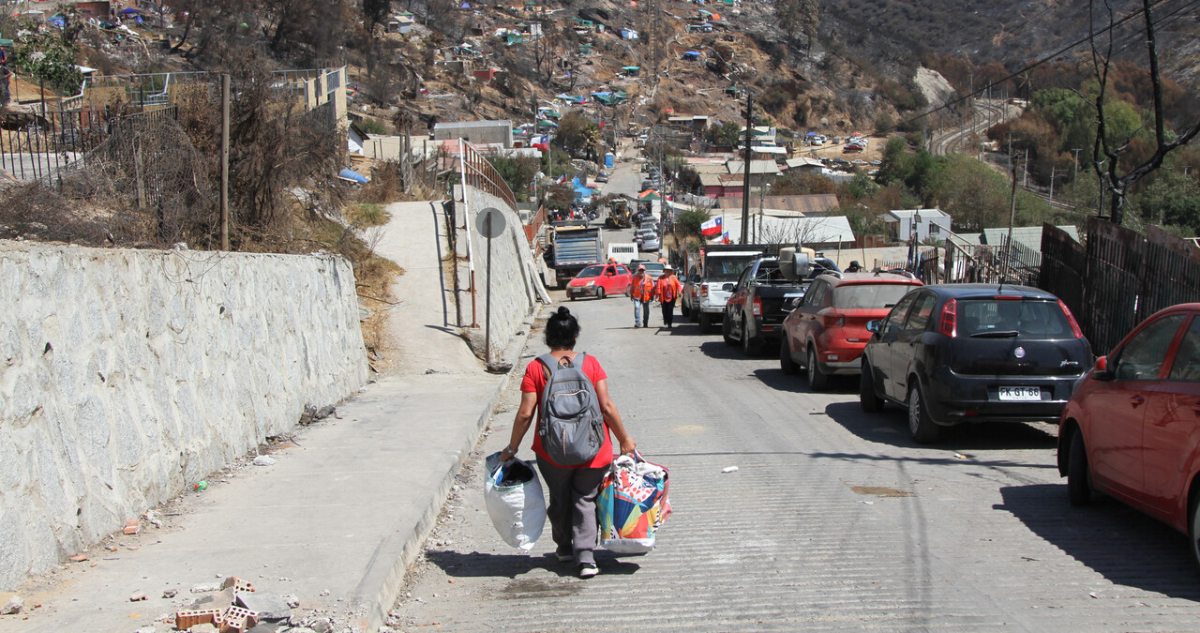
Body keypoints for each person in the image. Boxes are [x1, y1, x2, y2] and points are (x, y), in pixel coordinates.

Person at [500, 307, 636, 578]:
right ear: (575, 336)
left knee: (560, 497)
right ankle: (586, 558)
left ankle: (563, 547)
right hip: (593, 449)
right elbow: (606, 407)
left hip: (552, 452)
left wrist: (512, 448)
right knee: (585, 497)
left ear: (548, 338)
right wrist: (624, 439)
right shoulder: (591, 364)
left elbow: (526, 413)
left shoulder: (536, 368)